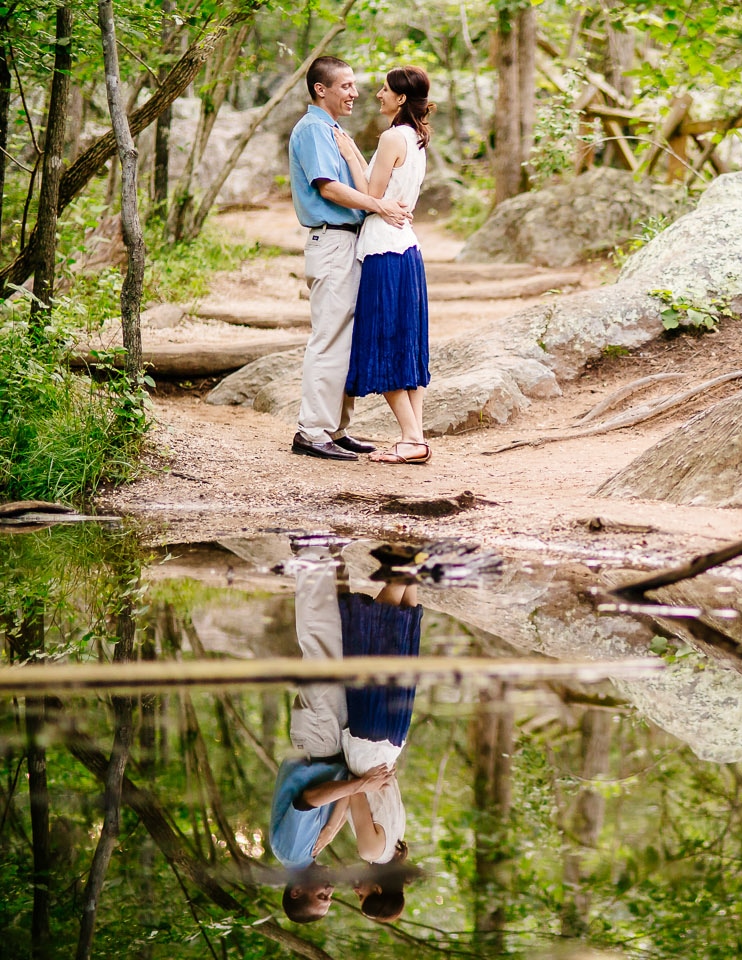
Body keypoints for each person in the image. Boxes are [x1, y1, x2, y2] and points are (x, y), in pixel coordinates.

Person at [288, 55, 411, 462]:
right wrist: (379, 206)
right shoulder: (312, 129)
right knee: (329, 338)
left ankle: (336, 429)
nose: (355, 93)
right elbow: (329, 189)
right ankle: (312, 431)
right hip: (332, 242)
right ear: (321, 89)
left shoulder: (333, 129)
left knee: (348, 338)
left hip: (351, 243)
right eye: (346, 86)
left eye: (355, 85)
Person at [272, 544, 396, 923]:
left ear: (297, 892)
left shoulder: (292, 854)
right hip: (329, 745)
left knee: (321, 652)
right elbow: (334, 801)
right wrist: (343, 811)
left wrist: (362, 786)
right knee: (337, 654)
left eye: (321, 896)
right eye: (330, 898)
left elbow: (309, 798)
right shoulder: (309, 852)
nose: (330, 891)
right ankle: (327, 559)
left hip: (317, 743)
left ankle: (310, 553)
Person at [335, 66, 434, 465]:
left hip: (383, 252)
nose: (378, 93)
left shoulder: (393, 136)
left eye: (386, 90)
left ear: (400, 98)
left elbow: (370, 193)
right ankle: (416, 436)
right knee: (407, 343)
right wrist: (359, 153)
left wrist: (348, 153)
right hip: (407, 250)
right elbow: (386, 187)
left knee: (385, 342)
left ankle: (412, 438)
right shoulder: (416, 137)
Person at [340, 578, 422, 880]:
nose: (355, 891)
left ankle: (411, 573)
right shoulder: (372, 852)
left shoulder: (397, 841)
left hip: (392, 741)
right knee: (373, 652)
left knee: (400, 658)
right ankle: (401, 568)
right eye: (362, 899)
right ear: (376, 891)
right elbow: (354, 790)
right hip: (367, 741)